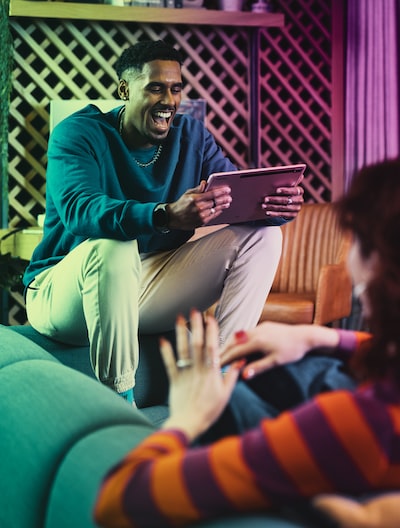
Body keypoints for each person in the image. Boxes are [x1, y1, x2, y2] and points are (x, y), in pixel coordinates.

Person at [94, 158, 400, 528]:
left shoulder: (347, 425)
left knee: (242, 399)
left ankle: (216, 390)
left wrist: (187, 417)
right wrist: (323, 336)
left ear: (377, 265)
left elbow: (117, 501)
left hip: (246, 439)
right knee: (309, 371)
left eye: (354, 242)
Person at [23, 40, 303, 403]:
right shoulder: (79, 134)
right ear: (124, 89)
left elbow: (238, 198)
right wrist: (165, 214)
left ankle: (219, 384)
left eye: (175, 89)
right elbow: (81, 210)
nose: (169, 101)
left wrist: (277, 206)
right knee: (115, 245)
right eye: (155, 88)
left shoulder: (191, 136)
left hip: (142, 287)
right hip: (61, 294)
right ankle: (121, 400)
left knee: (264, 238)